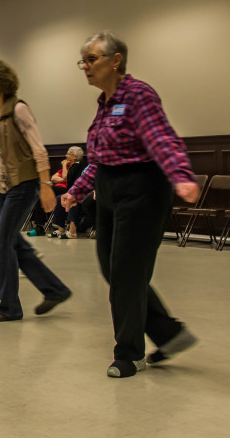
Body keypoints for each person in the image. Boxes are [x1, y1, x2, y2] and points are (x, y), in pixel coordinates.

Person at [61, 31, 200, 378]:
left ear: (116, 60)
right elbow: (100, 159)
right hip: (110, 189)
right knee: (114, 270)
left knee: (126, 273)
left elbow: (162, 138)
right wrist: (76, 191)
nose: (85, 66)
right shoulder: (105, 103)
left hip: (143, 189)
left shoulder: (139, 94)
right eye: (83, 61)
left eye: (91, 59)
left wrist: (181, 175)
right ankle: (169, 333)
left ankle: (129, 353)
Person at [0, 59, 71, 322]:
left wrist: (46, 186)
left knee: (2, 240)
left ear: (3, 81)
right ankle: (55, 289)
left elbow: (39, 150)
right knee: (11, 240)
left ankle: (9, 307)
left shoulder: (19, 109)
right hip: (1, 189)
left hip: (23, 185)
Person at [45, 146, 84, 238]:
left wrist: (64, 165)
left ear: (75, 157)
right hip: (71, 191)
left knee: (69, 199)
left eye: (68, 154)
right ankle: (60, 229)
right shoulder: (73, 166)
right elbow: (57, 178)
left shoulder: (78, 166)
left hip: (79, 193)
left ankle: (72, 232)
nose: (66, 155)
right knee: (59, 198)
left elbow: (66, 178)